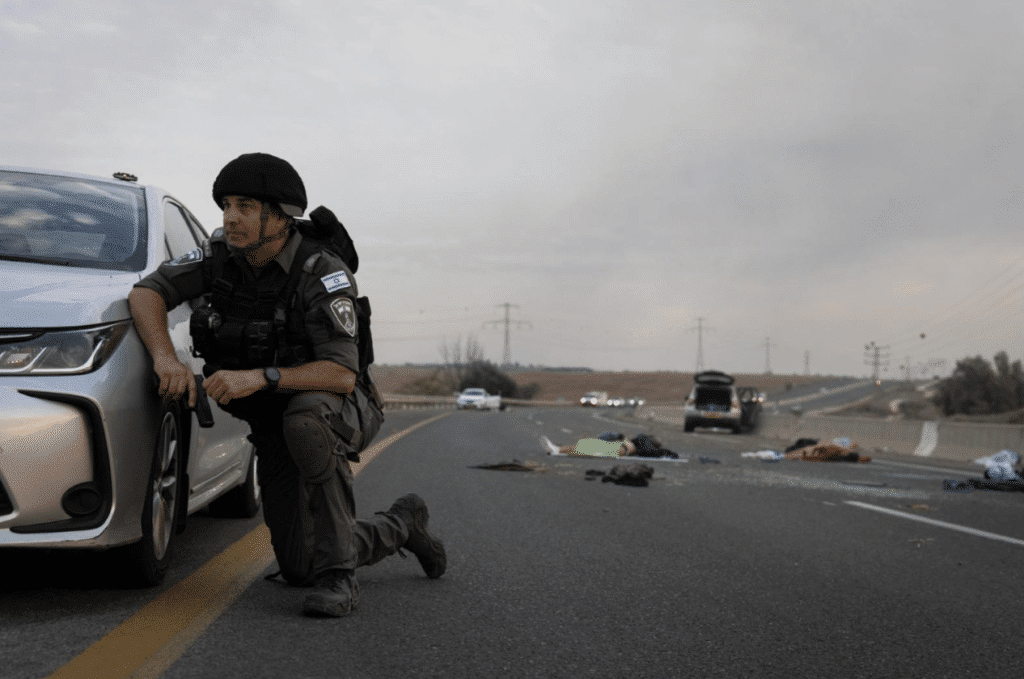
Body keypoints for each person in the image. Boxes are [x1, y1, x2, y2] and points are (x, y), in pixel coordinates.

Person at [128, 152, 445, 618]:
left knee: (307, 418)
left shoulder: (322, 271)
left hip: (339, 406)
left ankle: (341, 577)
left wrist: (259, 376)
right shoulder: (221, 259)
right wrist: (163, 357)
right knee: (298, 567)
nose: (230, 217)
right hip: (274, 420)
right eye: (227, 205)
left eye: (246, 207)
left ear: (280, 218)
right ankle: (401, 524)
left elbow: (340, 373)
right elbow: (147, 292)